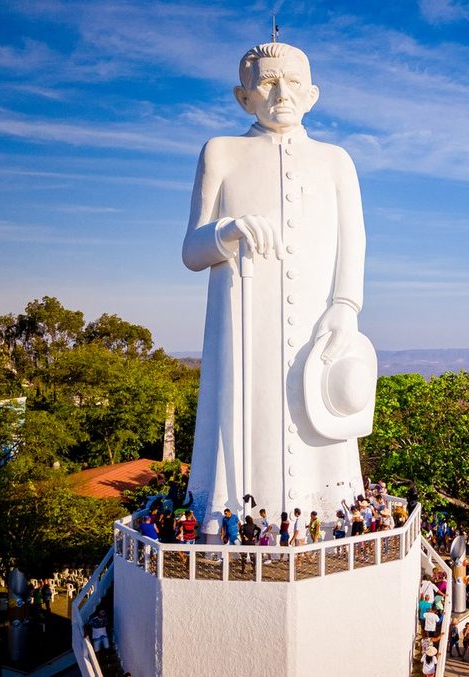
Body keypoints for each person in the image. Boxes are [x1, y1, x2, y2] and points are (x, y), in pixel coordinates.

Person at [183, 39, 375, 541]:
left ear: (312, 94)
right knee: (246, 419)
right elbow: (191, 249)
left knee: (320, 423)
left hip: (318, 323)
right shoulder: (221, 152)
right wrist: (226, 231)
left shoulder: (336, 160)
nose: (280, 93)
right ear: (243, 96)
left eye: (292, 82)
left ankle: (330, 513)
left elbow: (354, 240)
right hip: (245, 327)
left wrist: (345, 305)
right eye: (267, 82)